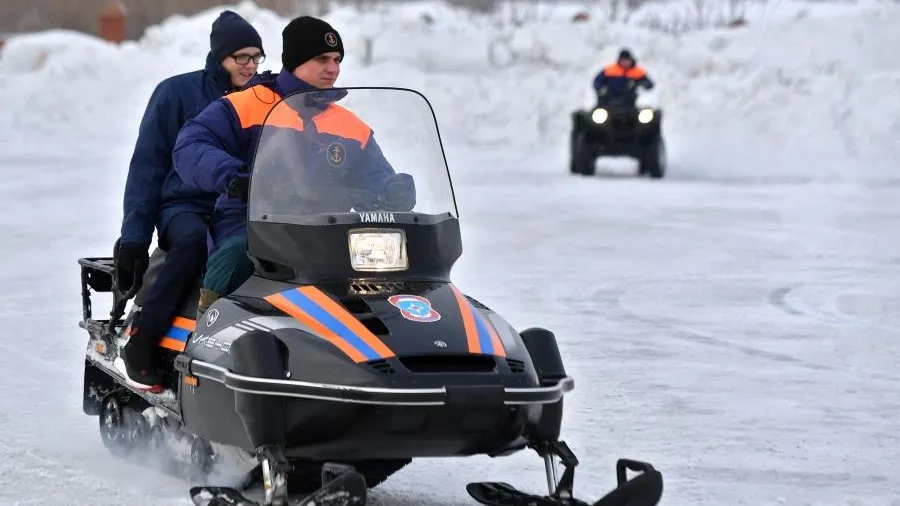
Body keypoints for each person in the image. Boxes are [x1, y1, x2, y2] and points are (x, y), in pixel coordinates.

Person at [172, 15, 415, 317]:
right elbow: (190, 145)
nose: (333, 68)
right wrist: (235, 177)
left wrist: (393, 189)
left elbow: (376, 175)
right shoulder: (247, 104)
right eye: (322, 58)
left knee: (387, 272)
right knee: (235, 258)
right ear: (296, 61)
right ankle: (205, 334)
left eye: (337, 59)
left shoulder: (350, 125)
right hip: (253, 223)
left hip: (329, 230)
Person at [114, 10, 265, 392]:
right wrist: (134, 238)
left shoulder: (265, 98)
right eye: (241, 57)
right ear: (220, 58)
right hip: (186, 205)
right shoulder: (177, 93)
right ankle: (143, 340)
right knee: (194, 243)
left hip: (244, 205)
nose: (250, 66)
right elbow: (147, 167)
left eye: (256, 57)